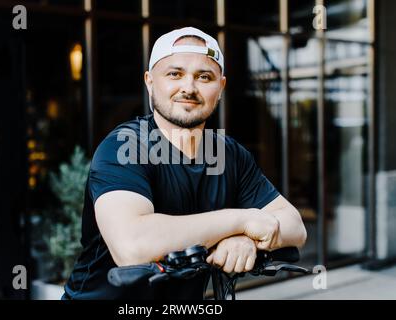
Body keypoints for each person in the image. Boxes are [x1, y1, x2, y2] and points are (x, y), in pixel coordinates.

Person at [62, 27, 307, 300]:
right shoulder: (124, 146)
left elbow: (295, 226)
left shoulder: (229, 154)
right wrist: (242, 220)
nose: (188, 88)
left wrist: (245, 239)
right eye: (174, 74)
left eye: (204, 77)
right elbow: (133, 246)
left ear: (221, 87)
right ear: (150, 82)